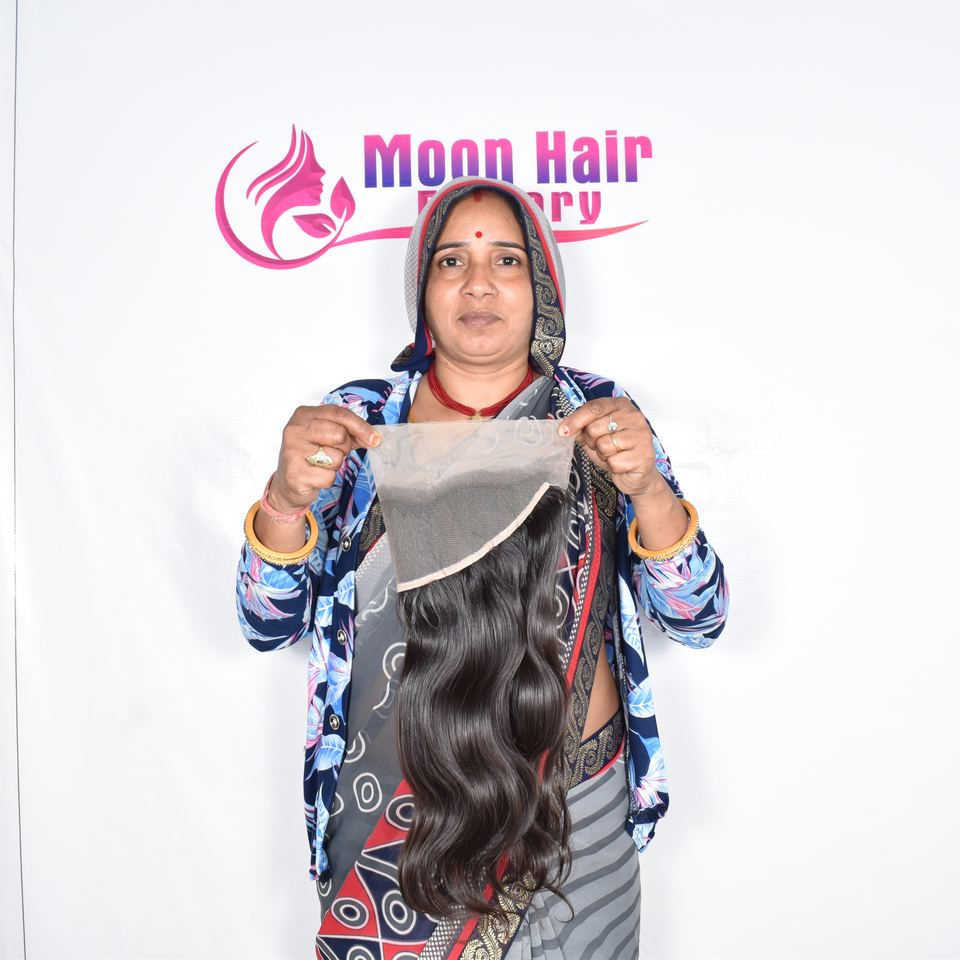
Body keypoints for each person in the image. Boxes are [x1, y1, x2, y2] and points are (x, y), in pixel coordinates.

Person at [235, 176, 729, 959]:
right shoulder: (358, 423)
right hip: (397, 825)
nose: (478, 284)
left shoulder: (596, 416)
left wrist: (649, 490)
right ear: (421, 288)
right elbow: (267, 625)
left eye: (505, 259)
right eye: (451, 261)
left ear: (542, 286)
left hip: (574, 811)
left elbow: (697, 619)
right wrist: (284, 502)